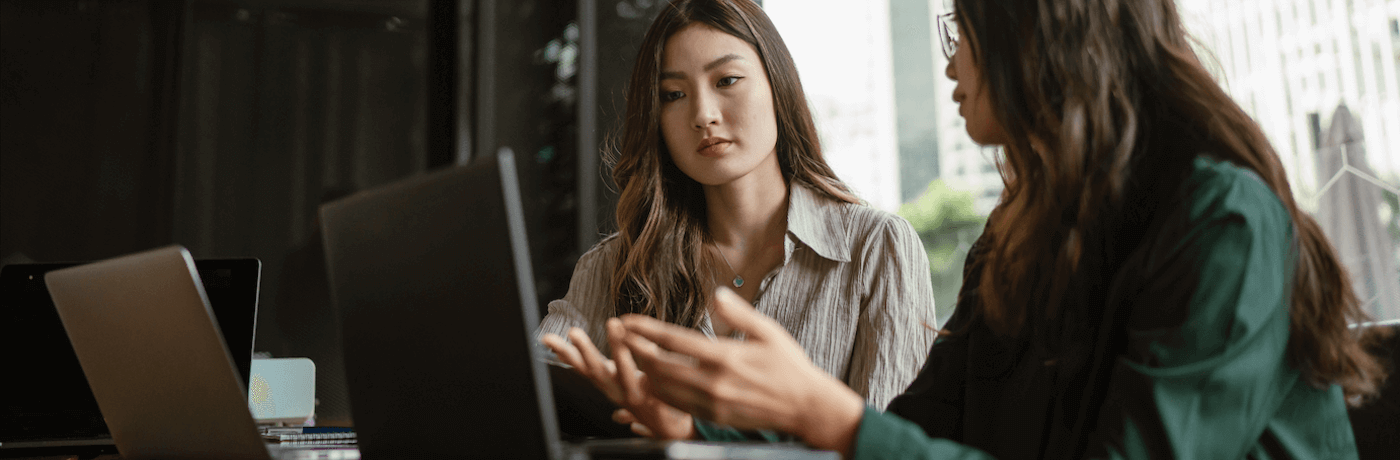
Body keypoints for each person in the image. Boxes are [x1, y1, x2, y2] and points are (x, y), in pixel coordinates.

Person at [601, 0, 1392, 457]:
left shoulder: (1221, 222)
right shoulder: (1017, 236)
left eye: (965, 28)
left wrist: (828, 416)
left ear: (1039, 33)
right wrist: (704, 432)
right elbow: (916, 432)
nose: (951, 62)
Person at [537, 0, 938, 413]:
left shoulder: (877, 248)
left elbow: (886, 444)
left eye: (727, 80)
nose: (703, 115)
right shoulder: (616, 265)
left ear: (777, 86)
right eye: (674, 94)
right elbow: (521, 389)